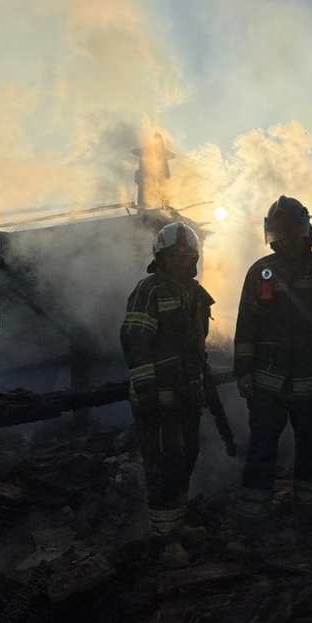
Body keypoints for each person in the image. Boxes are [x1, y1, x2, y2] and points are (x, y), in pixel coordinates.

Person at [232, 195, 312, 544]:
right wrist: (244, 372)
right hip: (267, 383)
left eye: (289, 233)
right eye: (278, 235)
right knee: (261, 451)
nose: (284, 242)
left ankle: (305, 521)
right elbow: (246, 324)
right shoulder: (260, 272)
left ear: (305, 231)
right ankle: (252, 524)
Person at [120, 221, 214, 568]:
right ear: (160, 257)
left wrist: (199, 384)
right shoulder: (148, 291)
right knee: (162, 466)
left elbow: (197, 347)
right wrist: (147, 394)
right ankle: (164, 540)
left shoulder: (194, 293)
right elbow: (136, 342)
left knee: (186, 458)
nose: (180, 261)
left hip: (186, 396)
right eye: (174, 255)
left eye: (187, 255)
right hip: (157, 399)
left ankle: (177, 524)